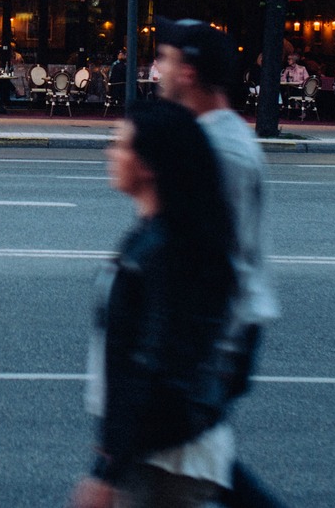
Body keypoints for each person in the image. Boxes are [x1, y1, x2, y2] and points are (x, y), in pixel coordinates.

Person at [71, 99, 238, 508]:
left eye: (121, 145)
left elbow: (154, 366)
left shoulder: (164, 250)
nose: (111, 153)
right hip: (153, 453)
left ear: (148, 164)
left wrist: (107, 469)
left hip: (164, 464)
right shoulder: (154, 237)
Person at [150, 18, 287, 508]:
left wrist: (190, 351)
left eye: (163, 58)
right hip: (216, 333)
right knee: (195, 460)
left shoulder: (221, 150)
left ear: (187, 72)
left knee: (187, 461)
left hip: (216, 337)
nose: (155, 69)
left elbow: (213, 261)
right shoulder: (210, 137)